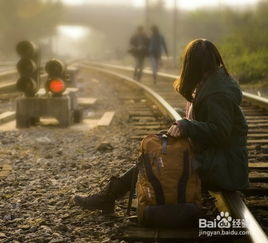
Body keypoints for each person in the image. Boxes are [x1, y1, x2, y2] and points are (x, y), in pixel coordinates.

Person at [73, 39, 248, 212]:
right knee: (156, 152)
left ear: (192, 65)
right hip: (217, 158)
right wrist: (184, 119)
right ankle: (108, 196)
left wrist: (187, 125)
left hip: (224, 167)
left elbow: (220, 132)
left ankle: (107, 197)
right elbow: (211, 121)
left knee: (156, 160)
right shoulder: (211, 82)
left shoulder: (216, 93)